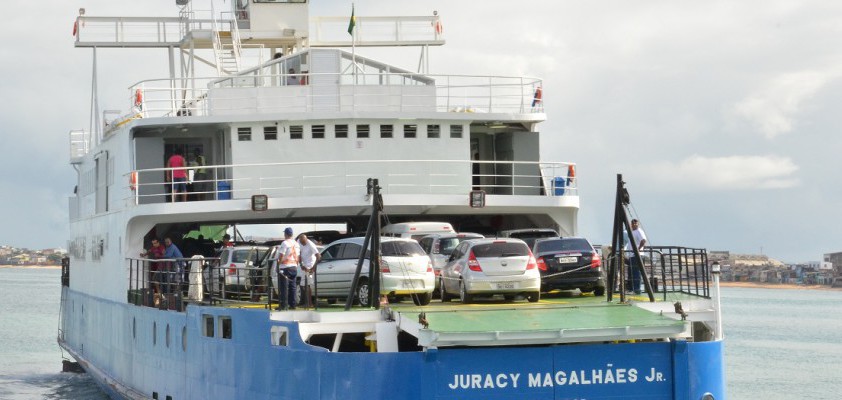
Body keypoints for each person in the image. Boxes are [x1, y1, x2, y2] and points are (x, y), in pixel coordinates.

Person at [276, 227, 300, 310]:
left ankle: (283, 305)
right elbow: (298, 256)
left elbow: (281, 255)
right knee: (292, 286)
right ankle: (293, 304)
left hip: (285, 267)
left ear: (285, 234)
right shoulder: (296, 244)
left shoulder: (285, 243)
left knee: (284, 287)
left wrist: (278, 264)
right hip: (294, 267)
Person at [625, 219, 648, 294]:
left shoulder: (639, 231)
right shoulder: (632, 232)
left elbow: (643, 240)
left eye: (636, 223)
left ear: (638, 224)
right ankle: (631, 289)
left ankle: (637, 289)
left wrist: (638, 249)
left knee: (636, 272)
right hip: (631, 255)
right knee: (631, 272)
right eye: (633, 223)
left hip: (637, 255)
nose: (634, 224)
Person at [297, 234, 321, 307]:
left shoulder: (310, 244)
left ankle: (309, 303)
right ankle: (307, 303)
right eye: (302, 242)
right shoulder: (298, 242)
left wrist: (313, 268)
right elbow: (299, 254)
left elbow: (318, 256)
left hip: (310, 265)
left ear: (306, 240)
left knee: (307, 285)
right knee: (303, 284)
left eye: (304, 242)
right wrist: (301, 265)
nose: (303, 244)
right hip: (304, 265)